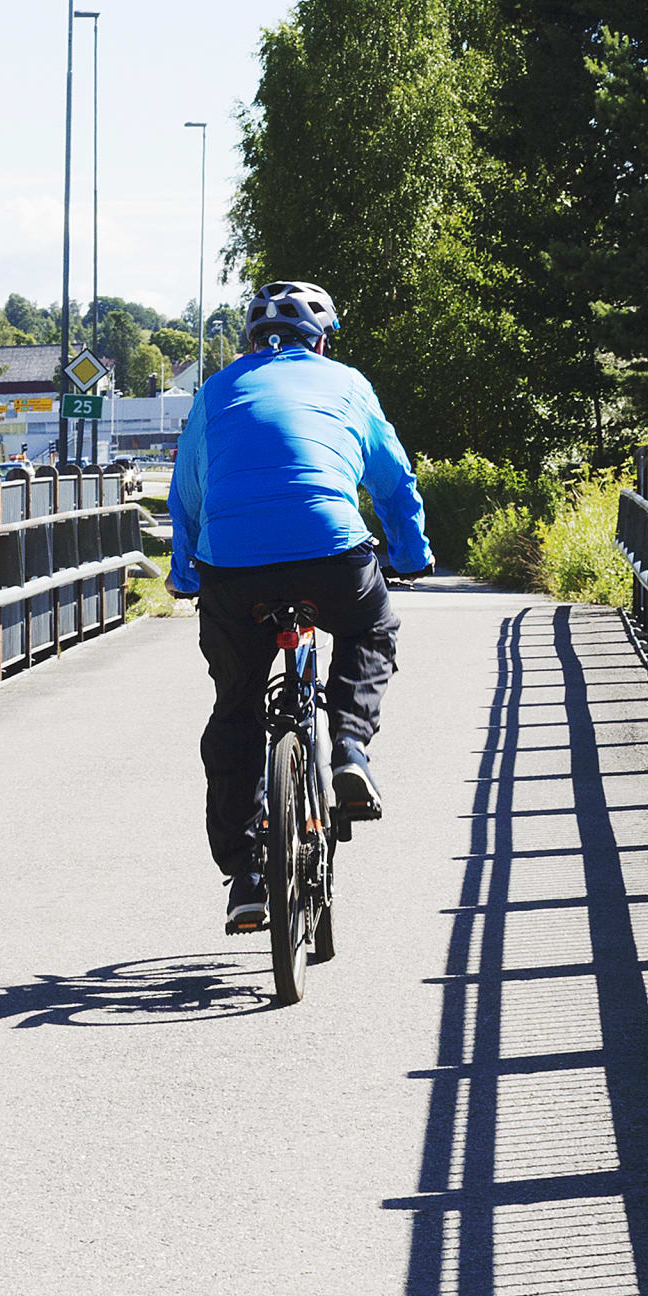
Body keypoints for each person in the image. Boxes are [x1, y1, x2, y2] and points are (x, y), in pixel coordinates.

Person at [166, 279, 430, 934]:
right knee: (372, 627)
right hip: (330, 552)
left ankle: (249, 875)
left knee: (236, 708)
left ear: (252, 340)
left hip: (234, 567)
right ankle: (347, 749)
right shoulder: (345, 383)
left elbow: (188, 494)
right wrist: (412, 552)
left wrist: (184, 576)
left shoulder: (216, 391)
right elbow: (394, 480)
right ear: (323, 338)